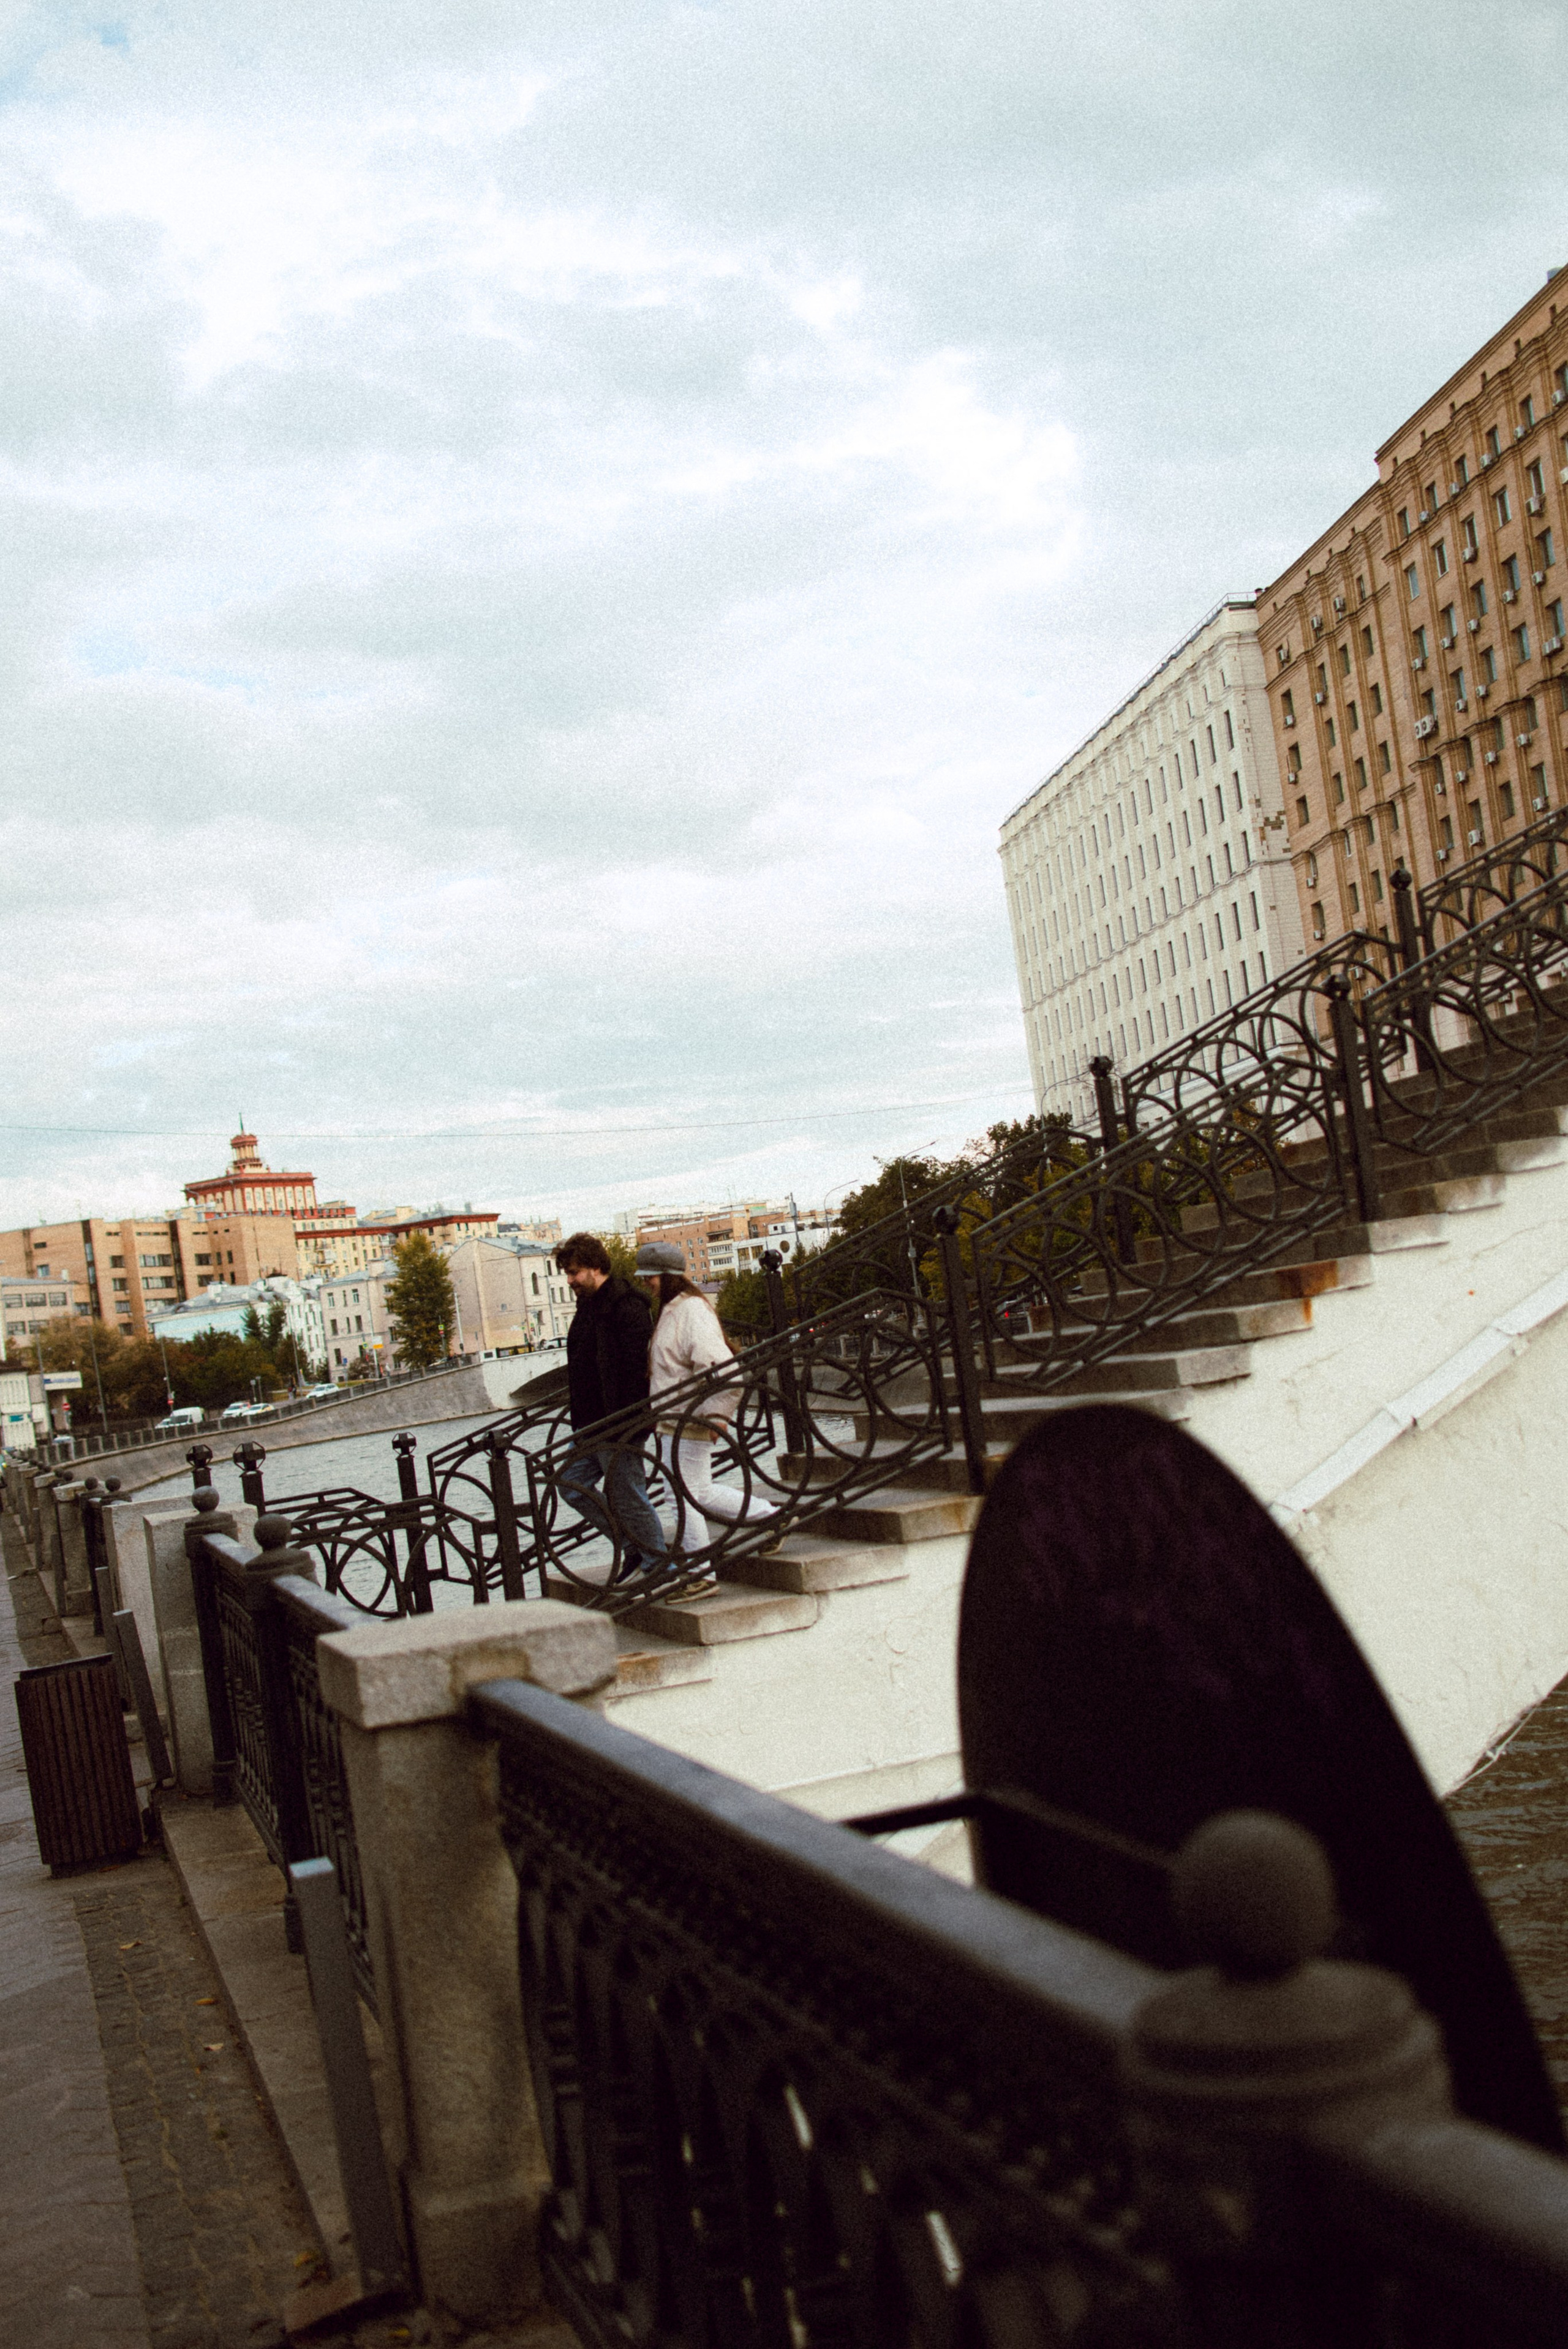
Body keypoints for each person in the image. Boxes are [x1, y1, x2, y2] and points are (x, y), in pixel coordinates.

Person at [636, 1241, 779, 1556]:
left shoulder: (688, 1311)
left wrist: (716, 1416)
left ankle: (700, 1568)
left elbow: (723, 1370)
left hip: (688, 1418)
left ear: (669, 1276)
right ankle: (770, 1518)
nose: (646, 1283)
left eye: (651, 1276)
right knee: (697, 1492)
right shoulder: (676, 1309)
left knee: (681, 1496)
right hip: (679, 1417)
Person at [554, 1232, 667, 1582]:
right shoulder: (588, 1305)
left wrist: (628, 1424)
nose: (570, 1281)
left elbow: (636, 1370)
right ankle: (633, 1546)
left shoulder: (626, 1305)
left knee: (627, 1495)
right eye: (568, 1274)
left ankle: (660, 1566)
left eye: (574, 1272)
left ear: (595, 1267)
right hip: (590, 1423)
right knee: (570, 1483)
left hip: (618, 1422)